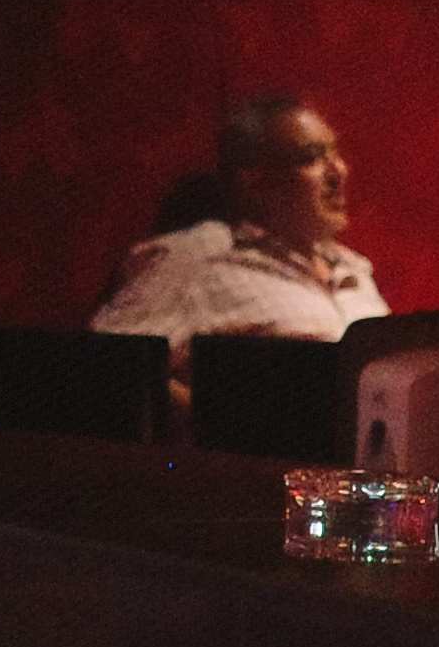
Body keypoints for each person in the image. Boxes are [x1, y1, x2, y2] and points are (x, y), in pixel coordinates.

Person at [92, 94, 386, 410]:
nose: (339, 171)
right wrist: (220, 425)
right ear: (254, 180)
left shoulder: (353, 269)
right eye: (310, 157)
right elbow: (110, 362)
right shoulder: (201, 258)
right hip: (269, 459)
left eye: (335, 153)